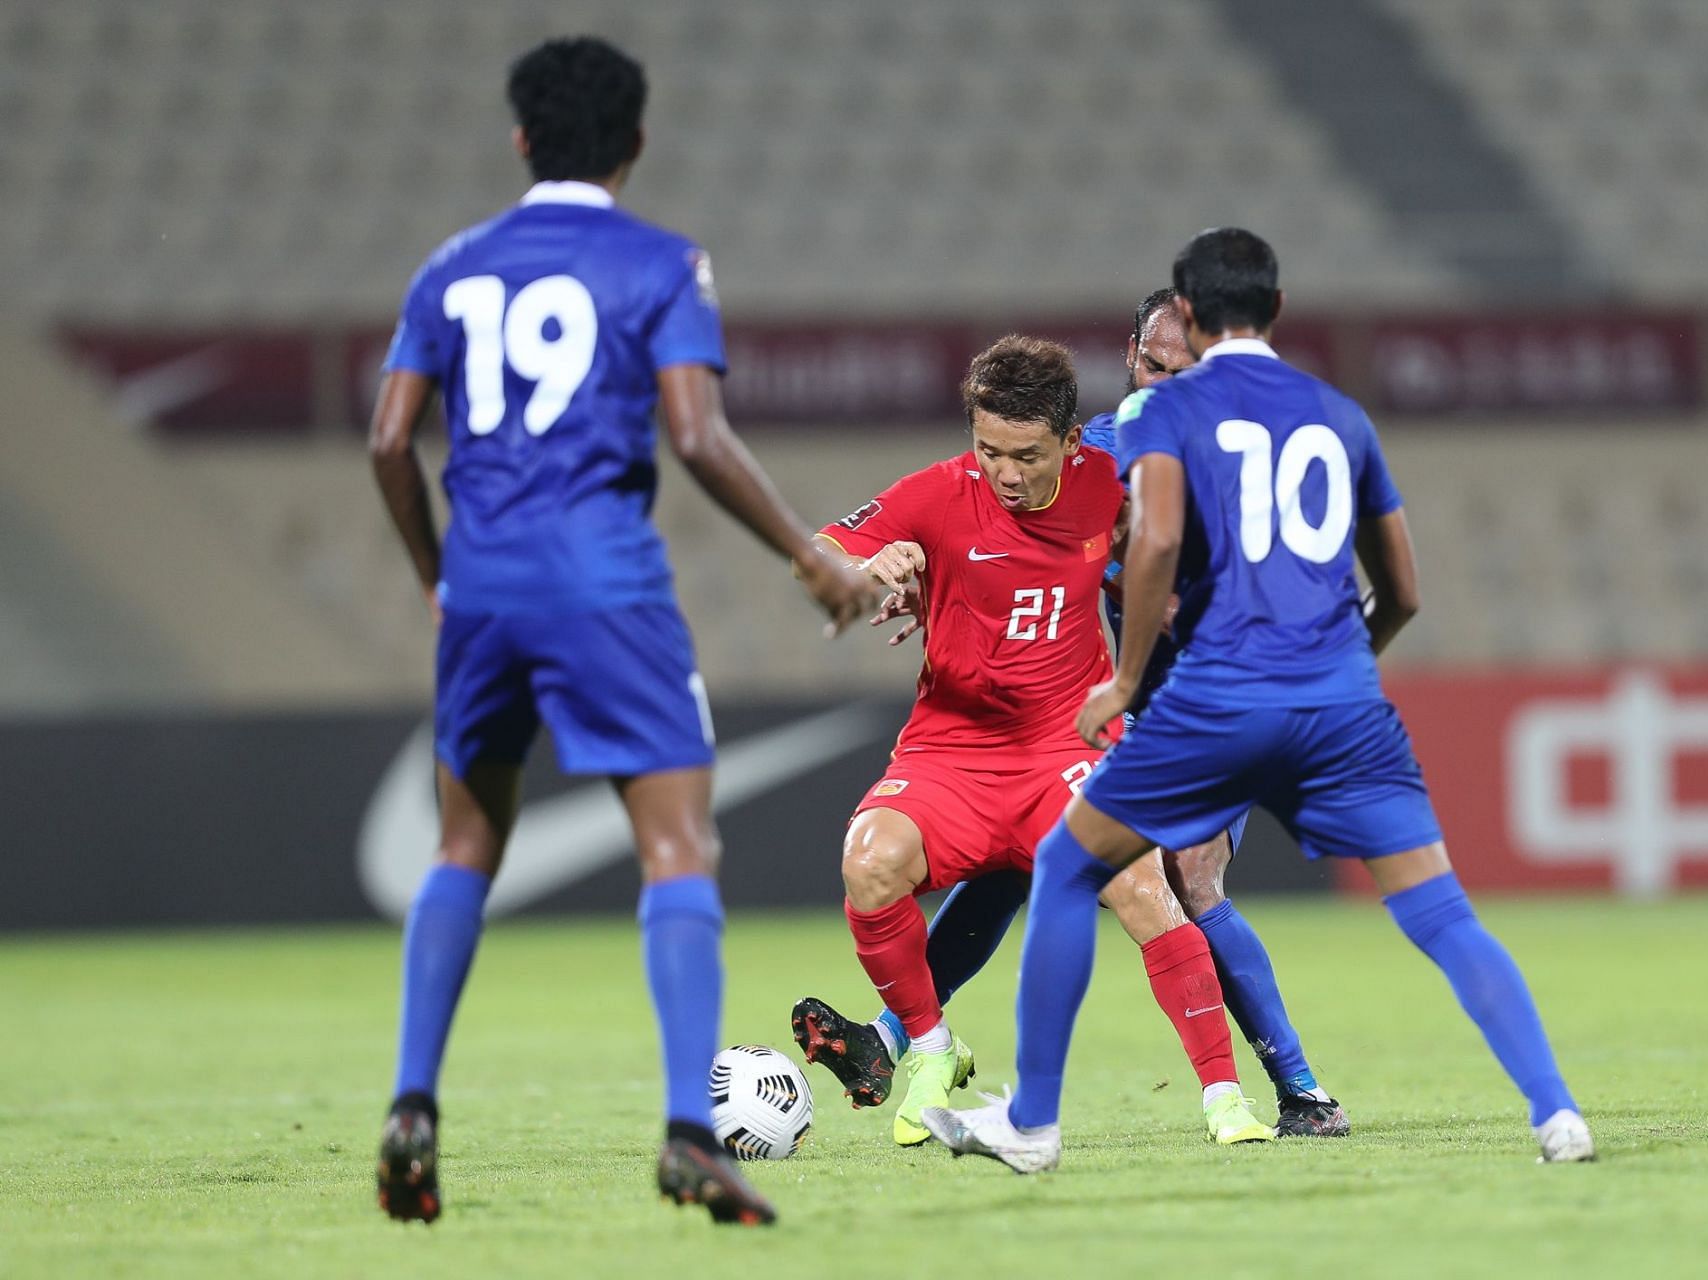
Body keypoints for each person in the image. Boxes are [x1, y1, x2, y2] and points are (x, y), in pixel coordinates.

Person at [925, 228, 1593, 1172]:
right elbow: (1402, 586)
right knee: (1440, 910)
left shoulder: (1170, 414)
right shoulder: (1339, 415)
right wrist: (1347, 666)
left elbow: (1152, 546)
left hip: (1221, 700)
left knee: (1069, 865)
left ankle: (1032, 1124)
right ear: (1276, 311)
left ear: (1190, 317)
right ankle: (1557, 1114)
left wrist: (1125, 676)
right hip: (1342, 702)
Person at [366, 36, 874, 1226]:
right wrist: (810, 554)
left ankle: (411, 1102)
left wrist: (443, 577)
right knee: (678, 849)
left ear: (520, 138)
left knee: (461, 847)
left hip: (483, 595)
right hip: (607, 586)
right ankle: (692, 1135)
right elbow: (695, 436)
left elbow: (390, 442)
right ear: (636, 144)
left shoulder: (450, 268)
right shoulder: (661, 265)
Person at [814, 291, 1347, 1138]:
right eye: (1154, 367)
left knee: (1184, 871)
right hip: (1096, 707)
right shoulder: (1096, 451)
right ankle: (910, 1037)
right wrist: (915, 576)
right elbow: (1014, 547)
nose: (1169, 386)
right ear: (1131, 358)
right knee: (1013, 863)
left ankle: (1297, 1087)